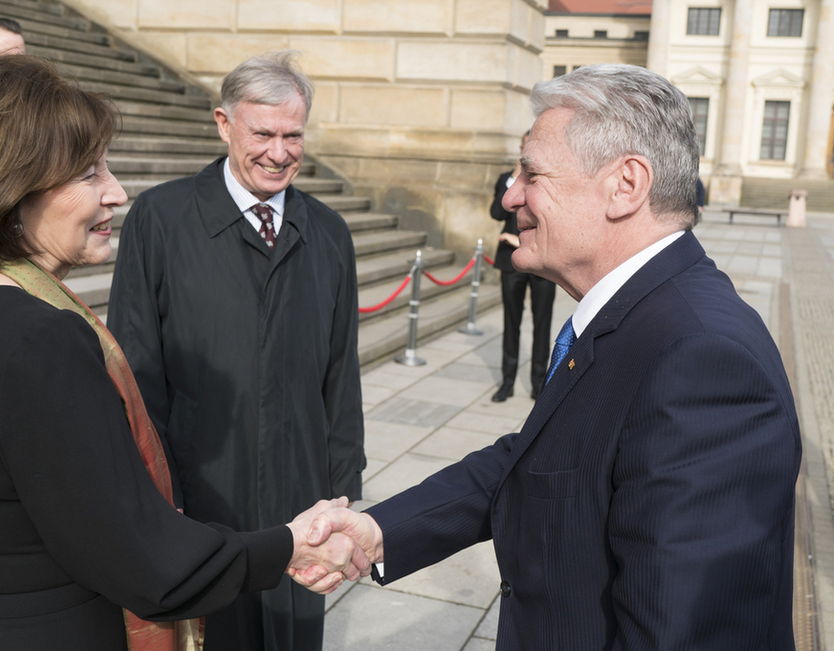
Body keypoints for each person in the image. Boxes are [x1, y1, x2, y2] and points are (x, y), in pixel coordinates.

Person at [0, 55, 368, 651]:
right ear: (10, 185)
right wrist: (287, 546)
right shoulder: (40, 340)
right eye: (89, 172)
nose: (116, 192)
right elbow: (144, 559)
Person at [304, 64, 802, 650]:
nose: (510, 194)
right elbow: (540, 462)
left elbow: (682, 632)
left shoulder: (703, 361)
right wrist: (377, 530)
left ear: (625, 185)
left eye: (531, 173)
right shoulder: (637, 314)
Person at [107, 50, 365, 651]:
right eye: (264, 134)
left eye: (293, 135)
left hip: (304, 506)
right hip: (202, 508)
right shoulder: (160, 219)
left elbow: (340, 380)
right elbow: (137, 373)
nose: (280, 153)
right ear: (224, 124)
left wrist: (343, 497)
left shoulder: (329, 234)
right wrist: (154, 505)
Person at [490, 129, 556, 401]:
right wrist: (515, 179)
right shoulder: (506, 180)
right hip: (510, 261)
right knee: (511, 321)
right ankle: (507, 382)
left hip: (542, 259)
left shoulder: (550, 181)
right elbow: (496, 212)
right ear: (520, 149)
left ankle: (539, 384)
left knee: (542, 323)